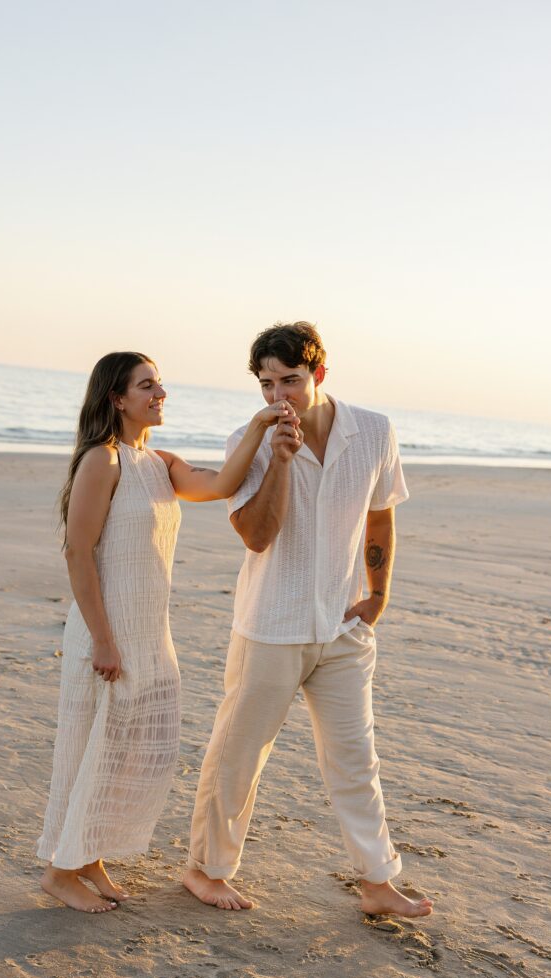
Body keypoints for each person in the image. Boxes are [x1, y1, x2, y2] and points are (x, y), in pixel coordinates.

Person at [183, 322, 433, 918]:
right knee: (239, 754)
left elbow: (380, 517)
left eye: (290, 381)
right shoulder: (248, 442)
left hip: (343, 630)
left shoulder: (374, 431)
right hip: (270, 628)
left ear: (319, 374)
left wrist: (379, 593)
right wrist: (279, 461)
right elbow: (256, 535)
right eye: (267, 385)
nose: (278, 398)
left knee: (355, 757)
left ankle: (377, 881)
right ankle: (205, 869)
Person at [37, 351, 298, 913]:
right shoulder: (101, 462)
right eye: (147, 385)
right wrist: (104, 639)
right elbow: (77, 552)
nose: (160, 393)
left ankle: (89, 856)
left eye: (160, 384)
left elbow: (223, 482)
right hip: (106, 632)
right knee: (93, 747)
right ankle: (60, 872)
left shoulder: (159, 462)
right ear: (117, 398)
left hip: (150, 634)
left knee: (133, 749)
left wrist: (259, 427)